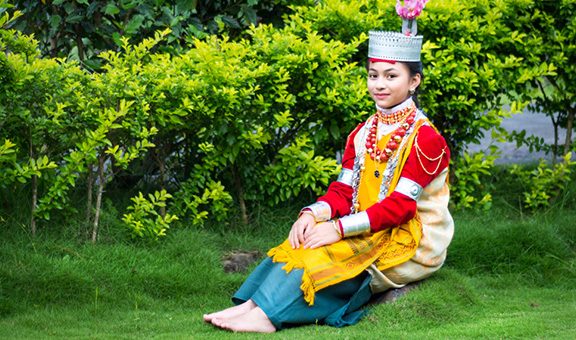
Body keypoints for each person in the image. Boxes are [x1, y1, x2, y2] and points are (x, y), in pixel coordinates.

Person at [203, 0, 453, 333]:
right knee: (298, 244)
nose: (379, 84)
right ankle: (252, 305)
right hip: (367, 224)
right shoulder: (363, 132)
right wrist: (313, 215)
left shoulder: (426, 138)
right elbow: (344, 189)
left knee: (327, 254)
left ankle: (268, 318)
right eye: (373, 75)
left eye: (391, 76)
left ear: (414, 82)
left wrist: (337, 229)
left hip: (409, 237)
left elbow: (401, 208)